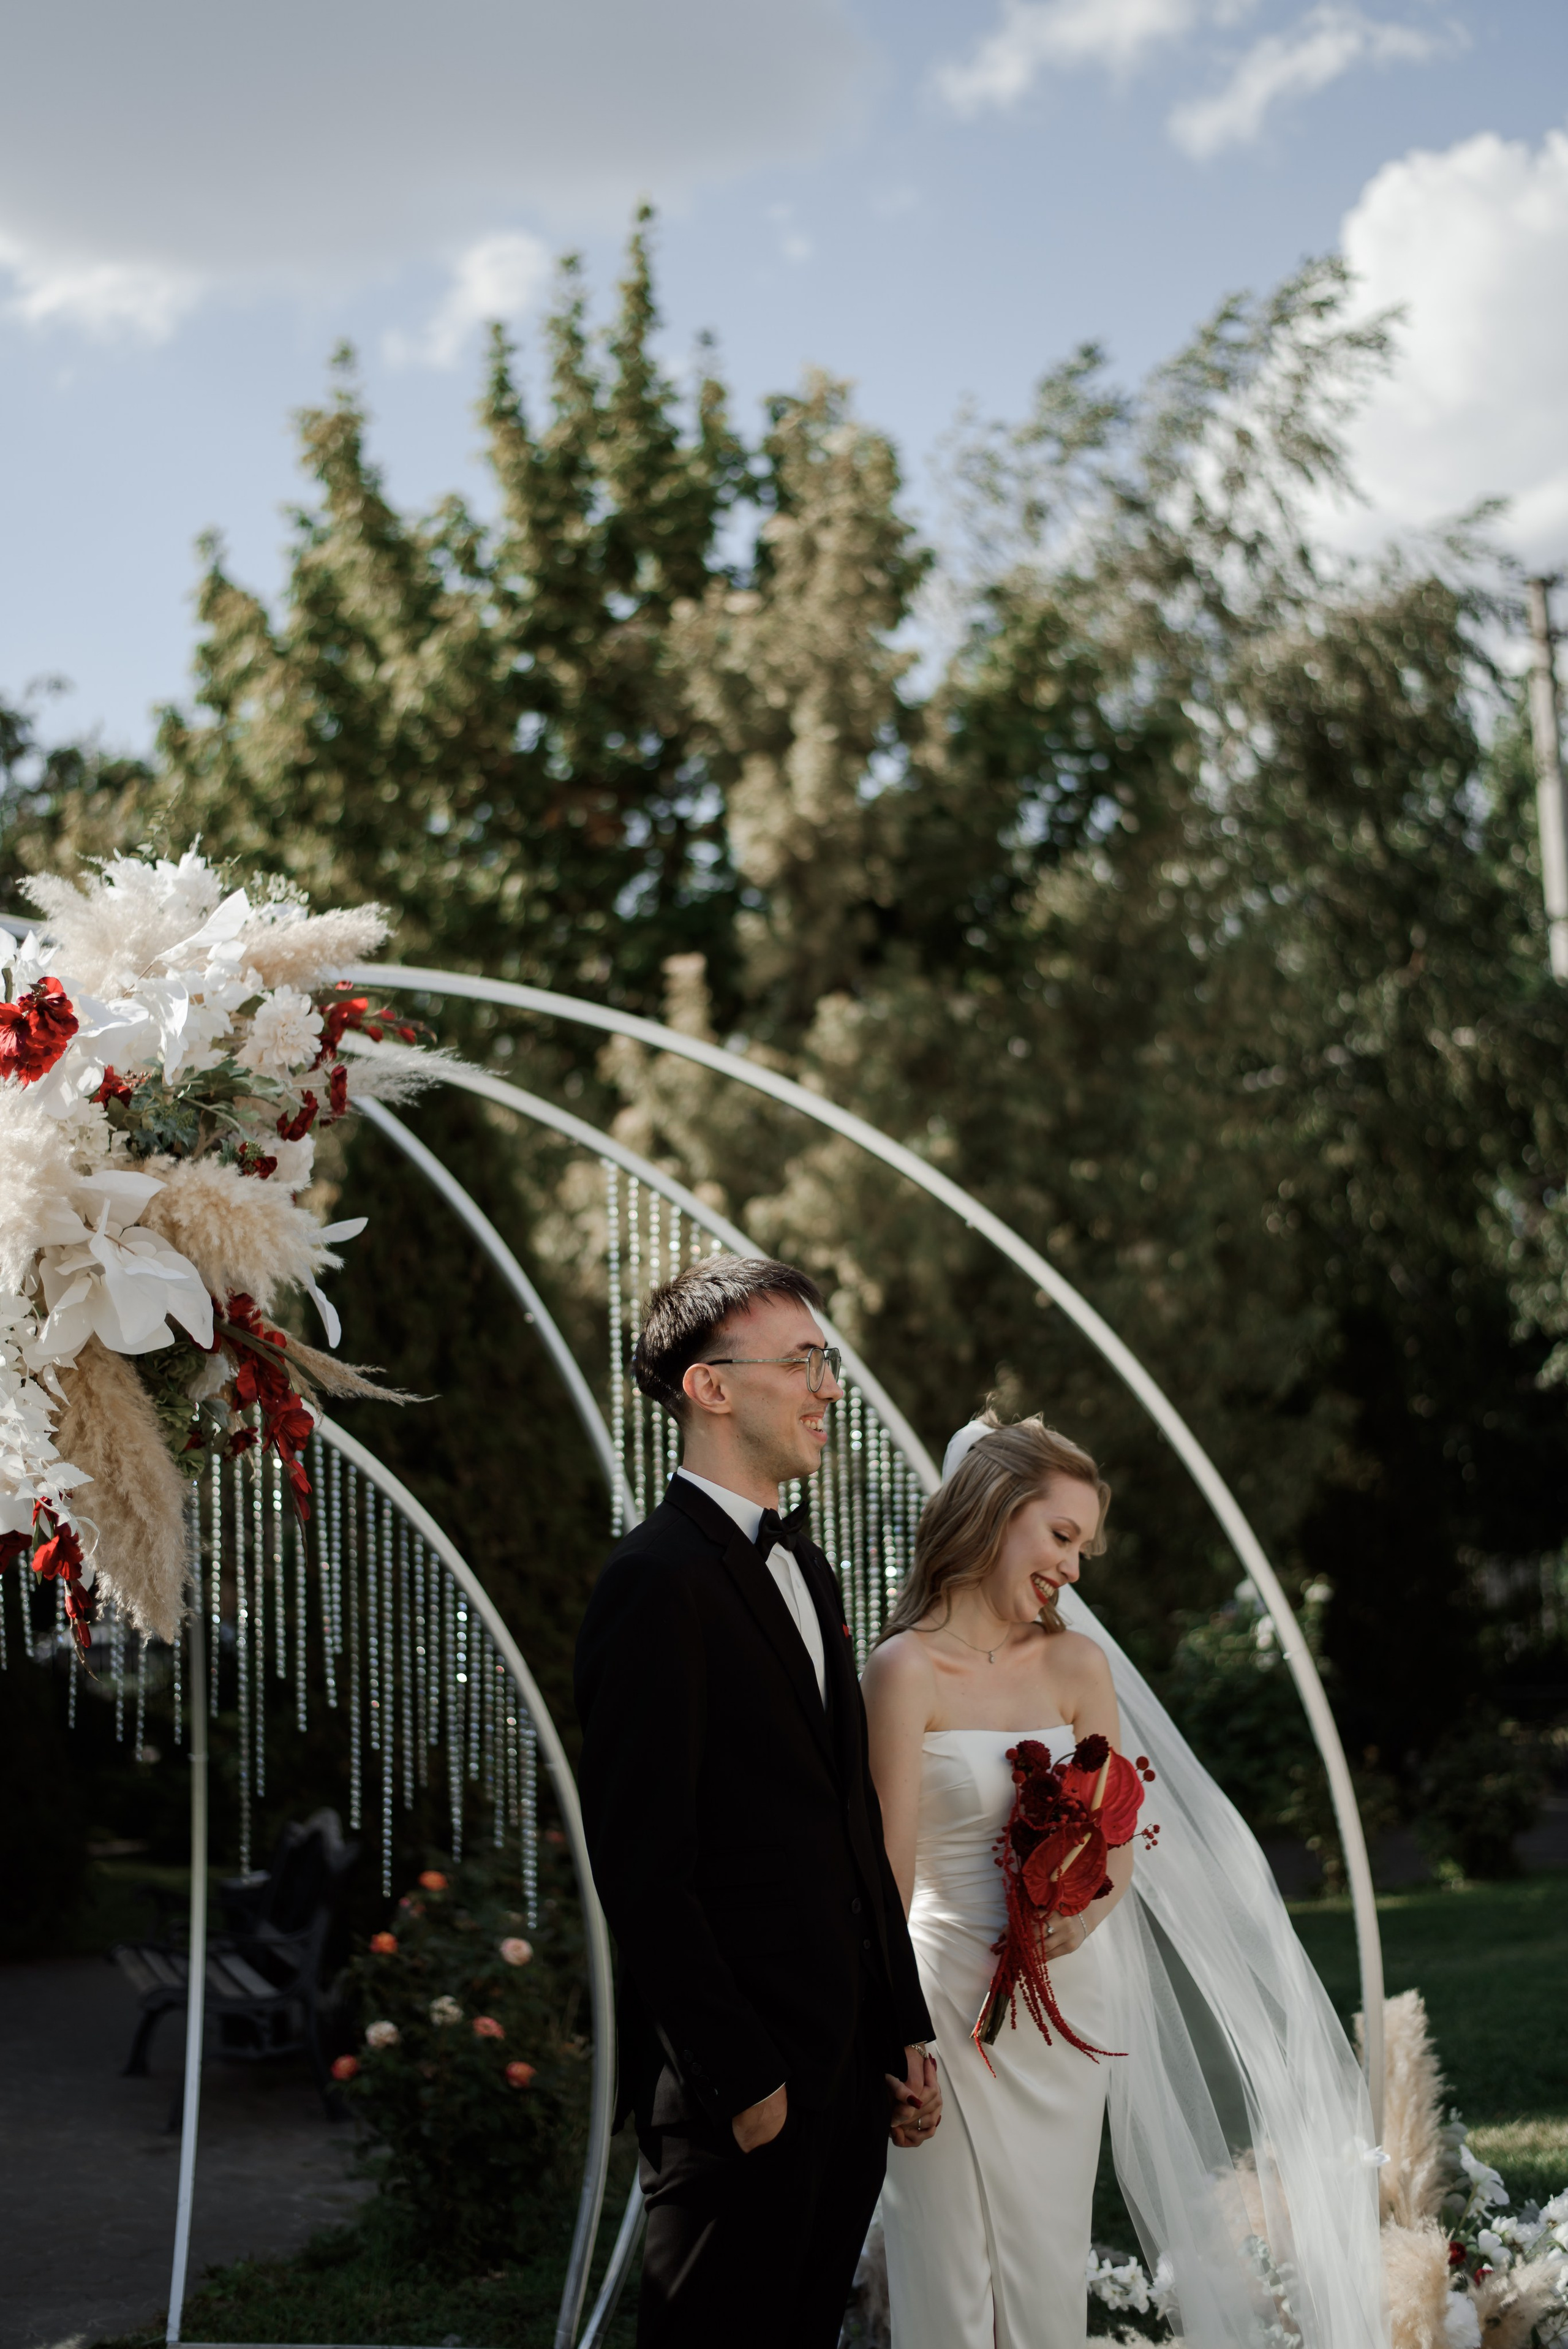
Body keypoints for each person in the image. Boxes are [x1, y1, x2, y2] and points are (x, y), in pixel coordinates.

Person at [864, 1411, 1389, 2349]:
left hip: (1065, 2011)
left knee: (1045, 2269)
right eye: (1061, 1536)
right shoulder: (904, 1671)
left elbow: (1117, 1844)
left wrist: (1079, 1915)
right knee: (943, 2274)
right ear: (994, 1509)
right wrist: (893, 2037)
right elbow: (884, 1876)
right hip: (940, 1998)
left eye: (1085, 1549)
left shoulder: (1076, 1665)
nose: (1073, 1567)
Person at [574, 1252, 941, 2349]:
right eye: (804, 1362)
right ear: (712, 1387)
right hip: (740, 2095)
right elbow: (643, 1870)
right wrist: (746, 2088)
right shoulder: (653, 1581)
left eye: (824, 1361)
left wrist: (901, 2028)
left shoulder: (811, 1572)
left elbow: (849, 1826)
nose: (829, 1387)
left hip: (844, 2073)